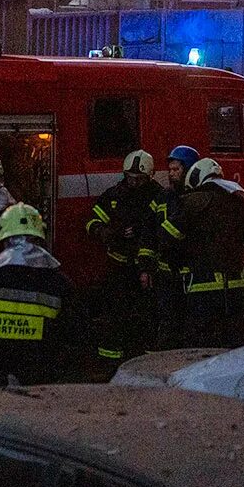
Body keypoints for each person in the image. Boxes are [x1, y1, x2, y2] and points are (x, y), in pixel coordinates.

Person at [0, 203, 76, 390]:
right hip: (37, 391)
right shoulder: (59, 285)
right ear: (39, 239)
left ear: (3, 239)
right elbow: (75, 336)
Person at [159, 157, 244, 347]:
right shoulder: (237, 199)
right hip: (237, 285)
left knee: (203, 345)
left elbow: (167, 236)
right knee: (237, 344)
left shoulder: (191, 201)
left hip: (201, 285)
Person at [85, 149, 166, 374]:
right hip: (118, 269)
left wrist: (147, 266)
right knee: (113, 318)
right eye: (130, 177)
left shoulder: (159, 197)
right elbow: (92, 222)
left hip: (148, 270)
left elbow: (161, 233)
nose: (134, 182)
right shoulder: (113, 195)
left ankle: (146, 367)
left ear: (149, 177)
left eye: (139, 179)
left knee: (148, 319)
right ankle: (109, 366)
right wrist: (109, 233)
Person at [153, 145, 200, 348]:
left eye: (176, 170)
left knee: (191, 324)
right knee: (167, 323)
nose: (172, 174)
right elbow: (150, 228)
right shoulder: (164, 197)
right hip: (166, 275)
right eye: (170, 170)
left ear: (189, 170)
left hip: (191, 275)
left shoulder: (196, 199)